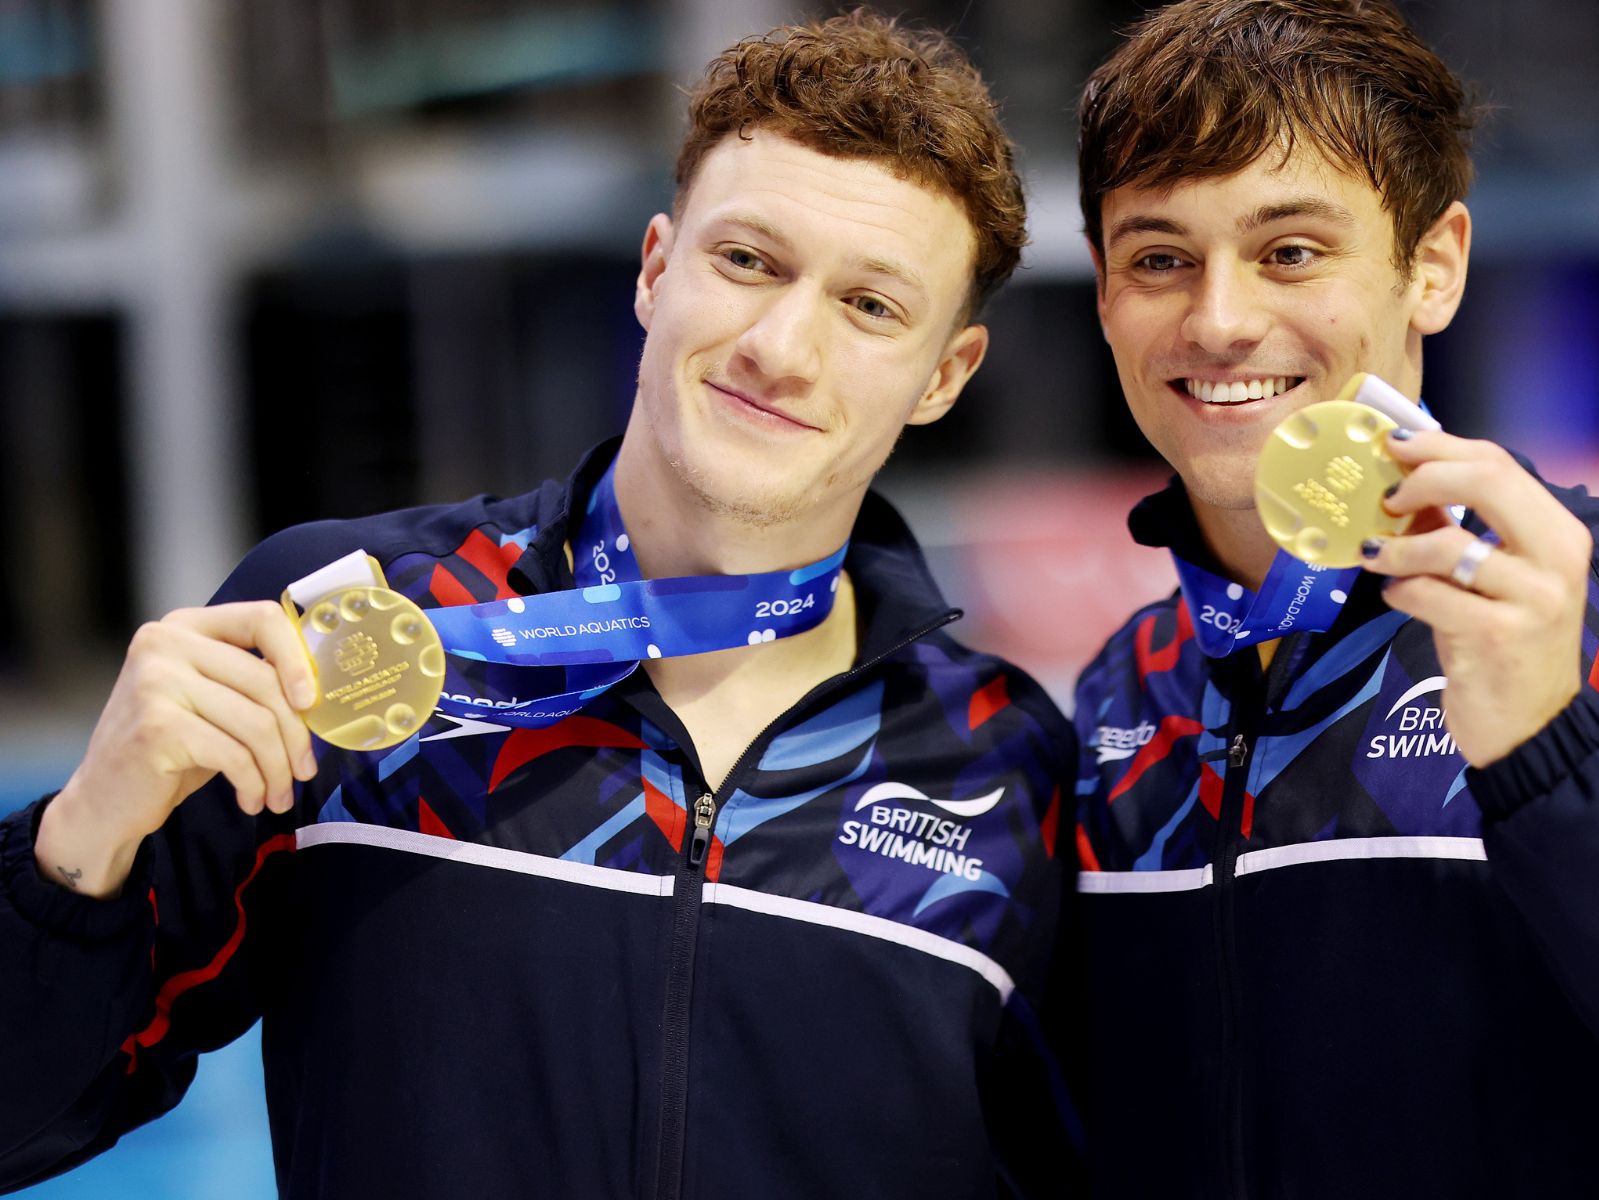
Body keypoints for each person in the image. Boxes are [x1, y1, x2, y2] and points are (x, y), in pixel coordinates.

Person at [0, 12, 1077, 1198]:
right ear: (657, 269)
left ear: (943, 375)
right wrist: (78, 843)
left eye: (870, 306)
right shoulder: (339, 636)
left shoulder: (1006, 774)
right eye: (746, 261)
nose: (783, 348)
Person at [1063, 2, 1599, 1196]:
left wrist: (1555, 754)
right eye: (1159, 259)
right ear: (1105, 294)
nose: (1218, 320)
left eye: (1291, 252)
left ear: (1432, 267)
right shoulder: (1128, 690)